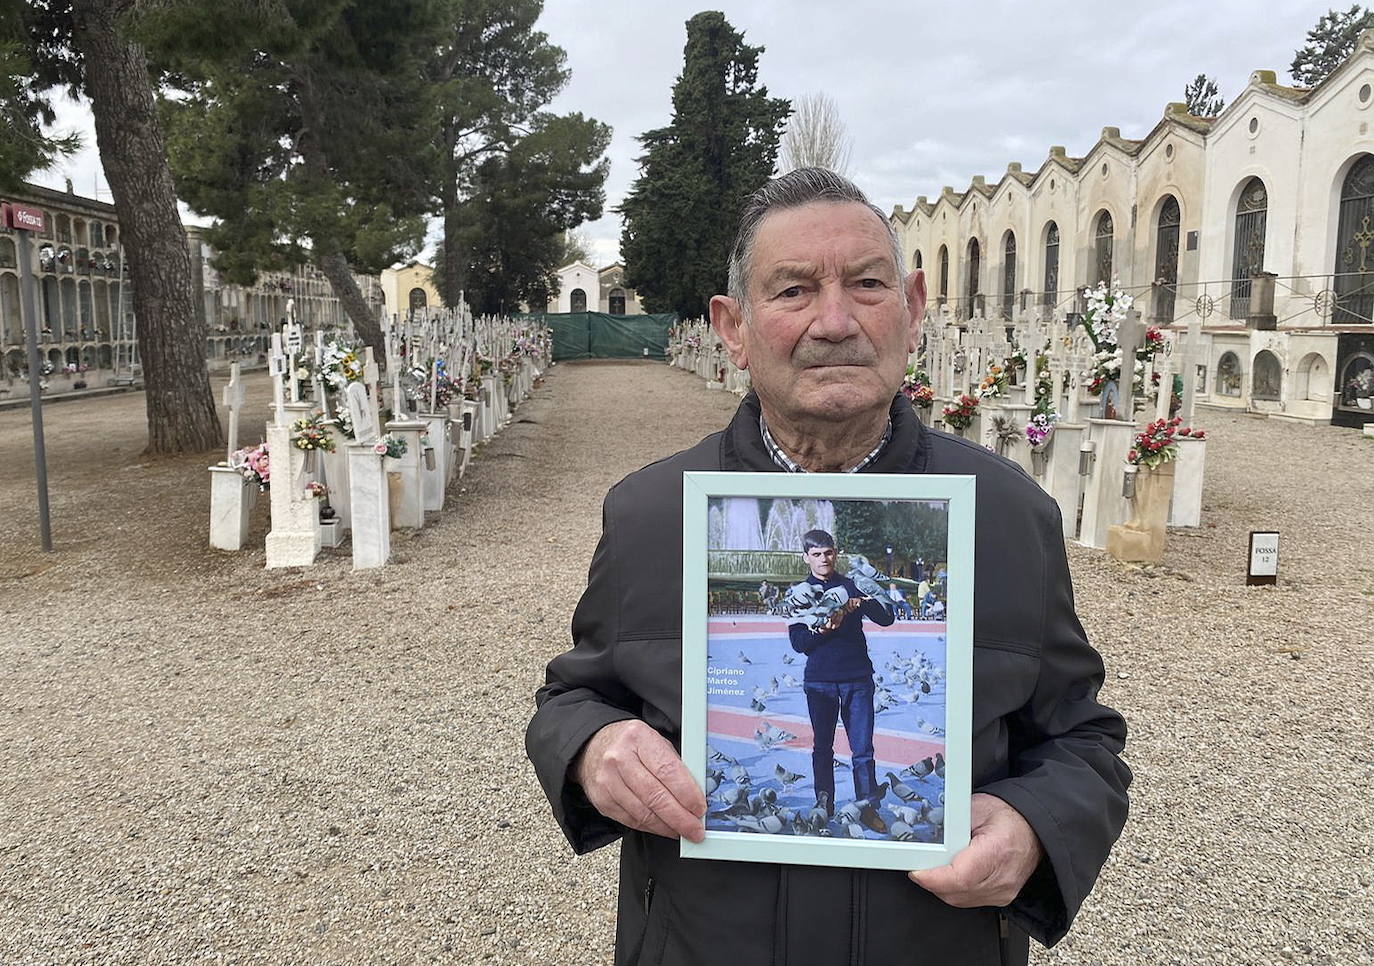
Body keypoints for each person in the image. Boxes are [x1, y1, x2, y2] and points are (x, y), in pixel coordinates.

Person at [526, 167, 1130, 965]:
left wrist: (1036, 827)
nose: (835, 320)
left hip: (932, 944)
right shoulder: (648, 514)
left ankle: (869, 803)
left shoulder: (1009, 513)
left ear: (911, 310)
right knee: (817, 754)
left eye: (867, 284)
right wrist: (592, 749)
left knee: (866, 755)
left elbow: (1081, 737)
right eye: (794, 291)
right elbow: (574, 695)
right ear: (733, 327)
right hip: (702, 944)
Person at [785, 529, 893, 829]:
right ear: (806, 557)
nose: (824, 559)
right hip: (819, 681)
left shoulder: (852, 584)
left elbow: (887, 619)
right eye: (817, 554)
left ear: (836, 553)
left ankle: (868, 807)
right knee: (822, 747)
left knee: (862, 750)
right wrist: (826, 626)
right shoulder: (798, 594)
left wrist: (862, 603)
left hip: (857, 678)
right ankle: (824, 804)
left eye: (828, 552)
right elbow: (799, 643)